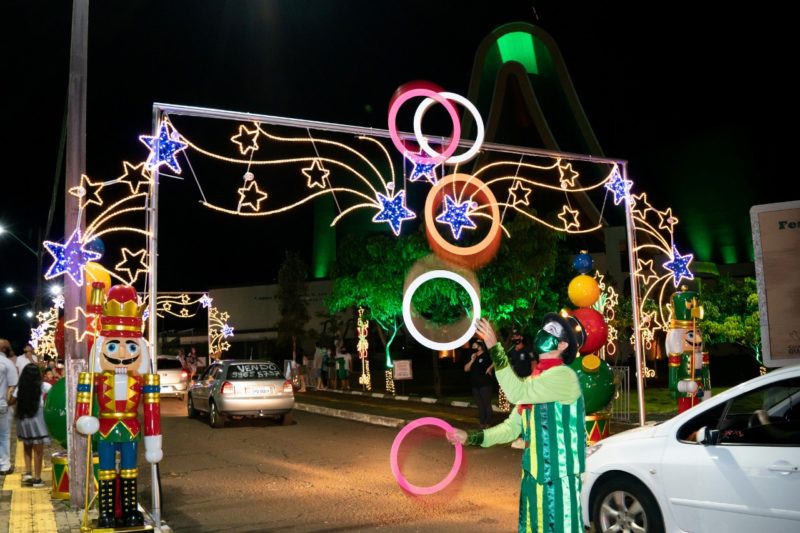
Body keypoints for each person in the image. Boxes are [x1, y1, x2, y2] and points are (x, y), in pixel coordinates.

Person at [448, 315, 586, 533]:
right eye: (543, 327)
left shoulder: (564, 377)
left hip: (558, 482)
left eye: (550, 330)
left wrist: (495, 348)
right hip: (532, 478)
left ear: (562, 345)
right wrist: (470, 437)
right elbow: (511, 428)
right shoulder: (535, 380)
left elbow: (515, 392)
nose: (542, 331)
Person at [74, 283, 162, 528]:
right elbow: (83, 402)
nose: (122, 353)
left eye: (131, 346)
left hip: (131, 427)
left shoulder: (144, 378)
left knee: (130, 470)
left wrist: (154, 441)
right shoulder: (94, 377)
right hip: (105, 427)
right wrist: (83, 420)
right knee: (105, 471)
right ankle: (107, 512)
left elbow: (153, 410)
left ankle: (131, 510)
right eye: (113, 346)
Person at [9, 364, 51, 487]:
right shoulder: (43, 386)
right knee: (38, 450)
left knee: (27, 446)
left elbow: (11, 401)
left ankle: (28, 473)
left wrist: (10, 391)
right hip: (38, 420)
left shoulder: (20, 388)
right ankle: (37, 478)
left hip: (24, 419)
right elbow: (54, 394)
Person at [464, 339, 494, 429]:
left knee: (486, 404)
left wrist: (490, 368)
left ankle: (488, 423)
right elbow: (466, 369)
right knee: (480, 405)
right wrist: (472, 360)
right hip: (475, 385)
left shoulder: (487, 355)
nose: (473, 347)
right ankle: (482, 422)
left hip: (485, 384)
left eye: (475, 345)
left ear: (480, 346)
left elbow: (497, 361)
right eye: (472, 346)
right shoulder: (473, 356)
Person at [0, 339, 18, 476]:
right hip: (1, 404)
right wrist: (9, 402)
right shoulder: (7, 363)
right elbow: (13, 385)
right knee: (4, 435)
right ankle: (4, 465)